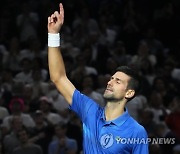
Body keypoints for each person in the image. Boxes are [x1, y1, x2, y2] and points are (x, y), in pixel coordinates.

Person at [47, 3, 148, 153]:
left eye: (117, 81)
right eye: (111, 78)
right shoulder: (90, 111)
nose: (110, 82)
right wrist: (53, 35)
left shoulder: (136, 132)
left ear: (129, 93)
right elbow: (58, 78)